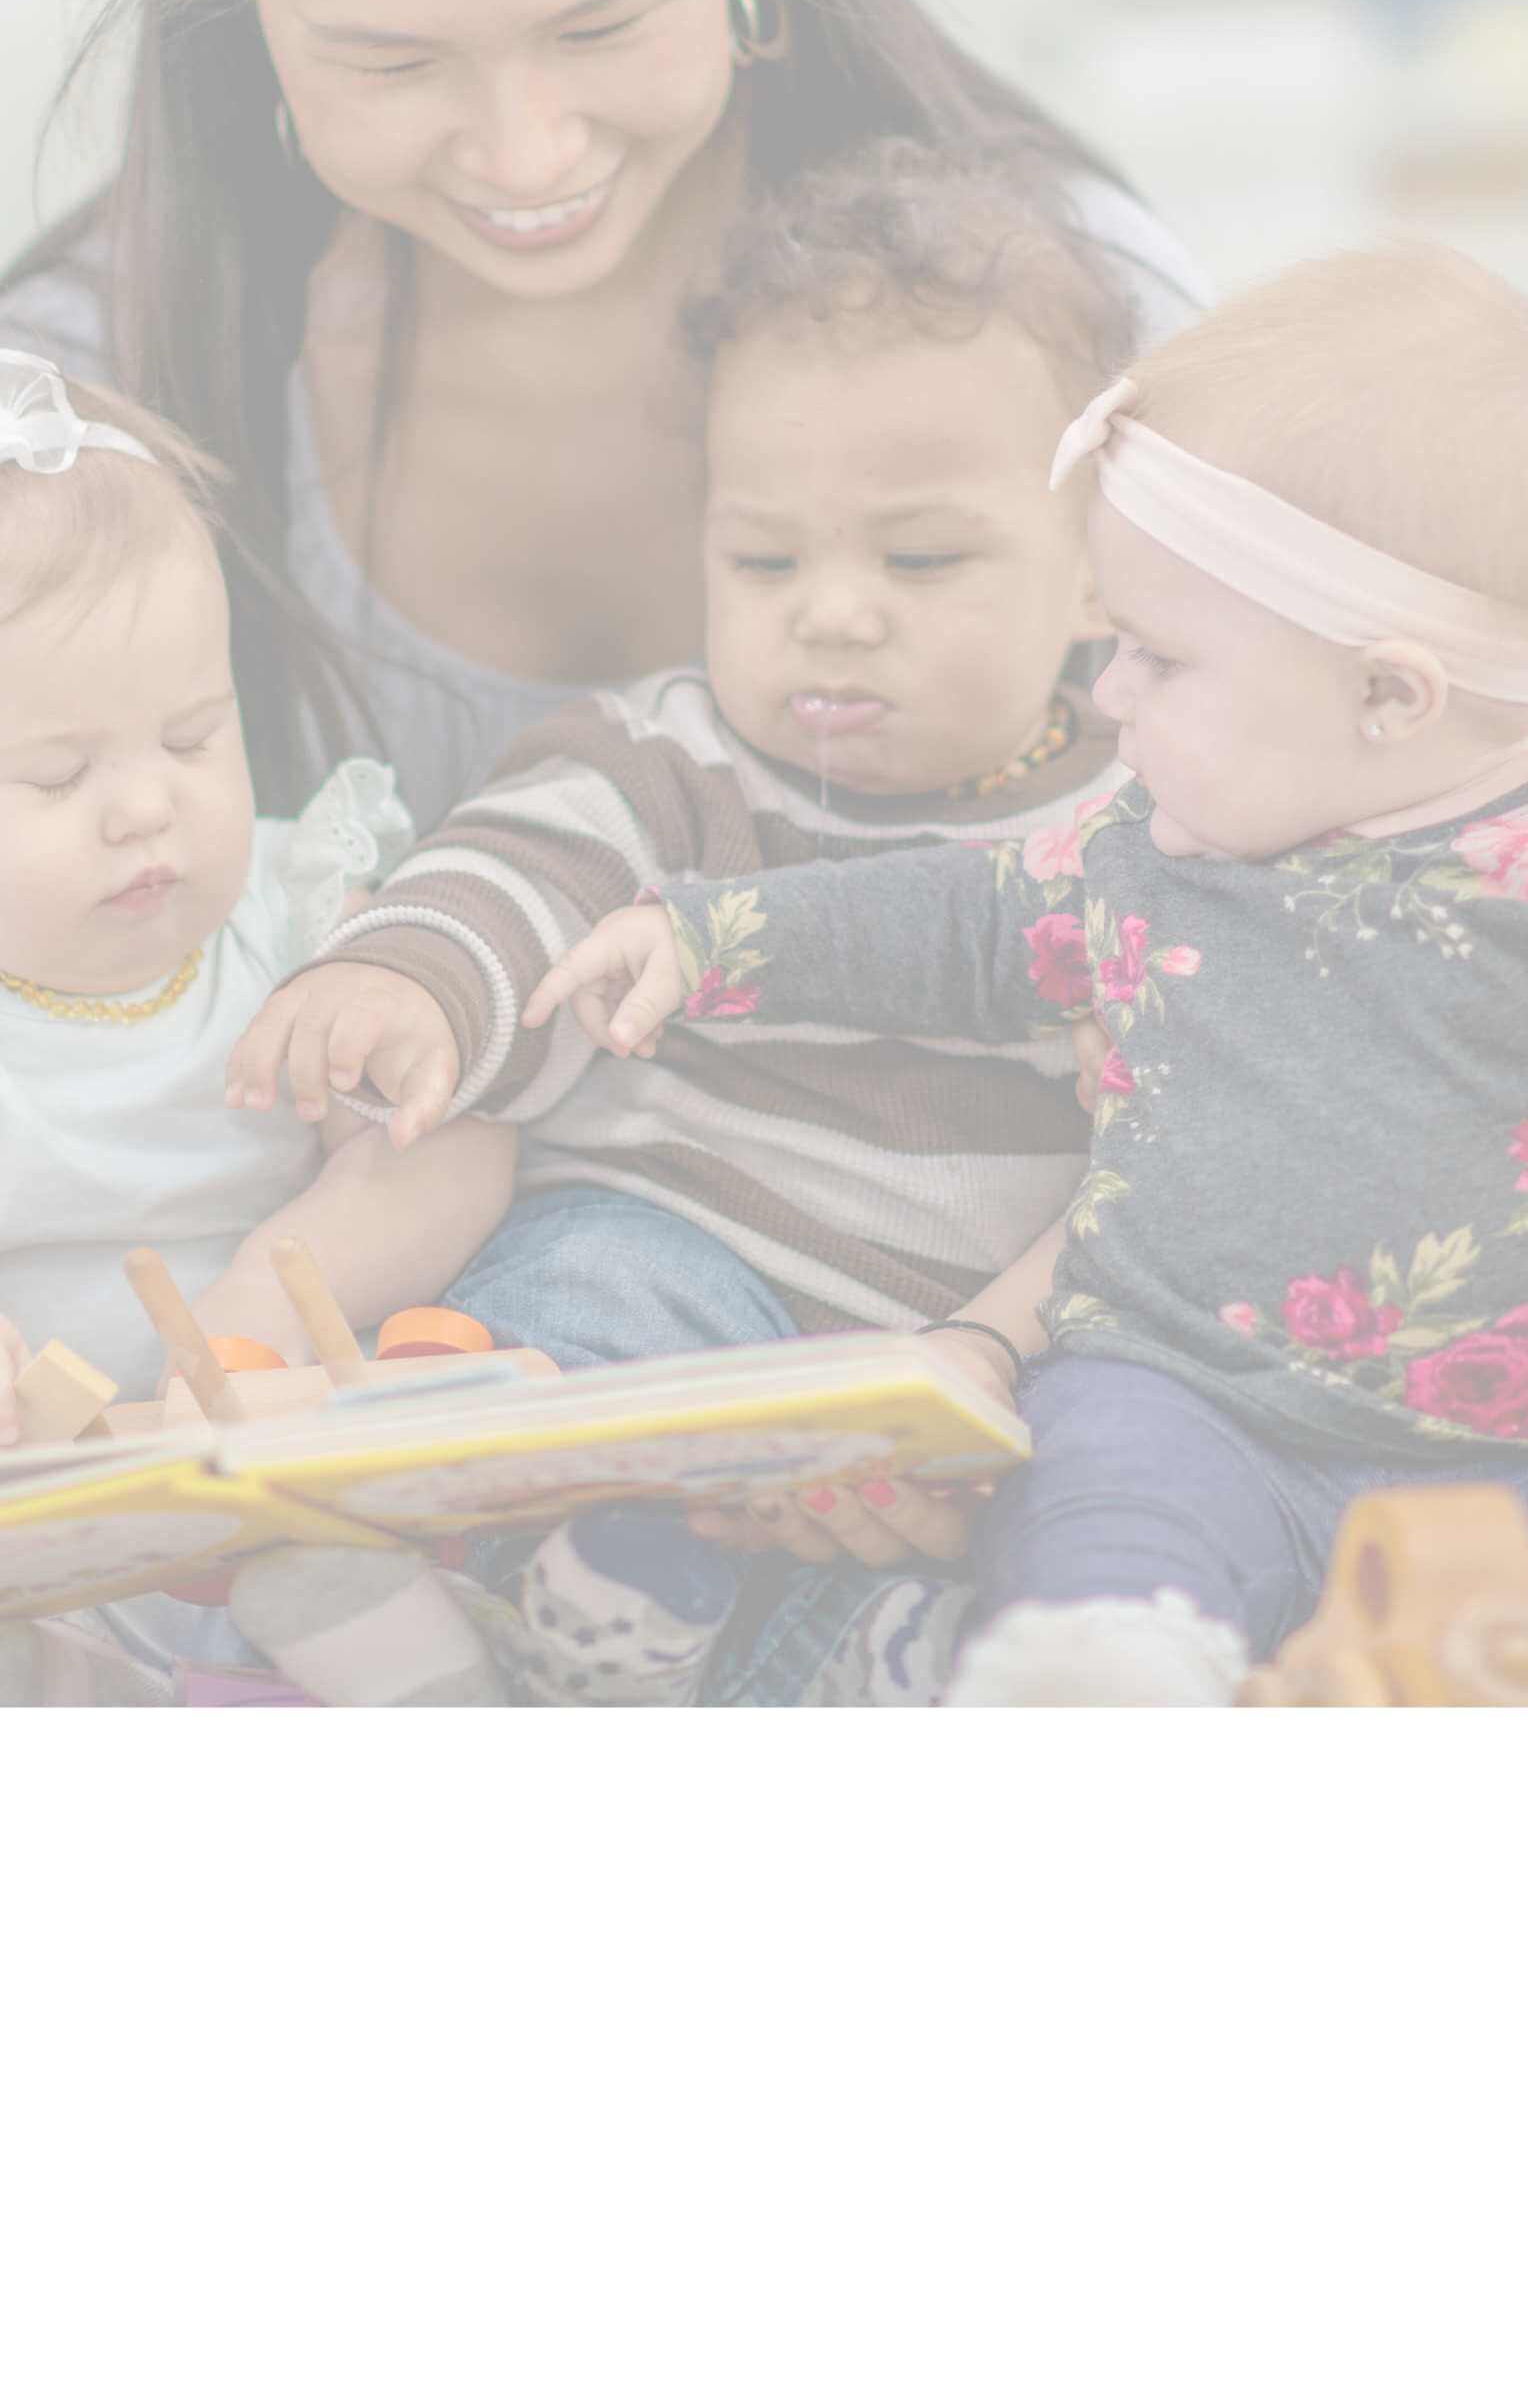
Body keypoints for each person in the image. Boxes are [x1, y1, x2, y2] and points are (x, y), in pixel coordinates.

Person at [531, 244, 1528, 1704]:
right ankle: (1106, 1671)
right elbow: (965, 922)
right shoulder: (1161, 847)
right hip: (1181, 1405)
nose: (1107, 699)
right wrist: (709, 936)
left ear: (1387, 694)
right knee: (1093, 1488)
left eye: (1158, 661)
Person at [0, 0, 1200, 827]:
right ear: (245, 15)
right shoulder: (69, 417)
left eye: (601, 26)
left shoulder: (1089, 314)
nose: (525, 156)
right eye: (392, 63)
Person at [234, 140, 1143, 1703]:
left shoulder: (1155, 829)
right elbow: (518, 871)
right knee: (592, 1284)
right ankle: (508, 1566)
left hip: (933, 1378)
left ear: (1103, 573)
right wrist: (408, 977)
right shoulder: (674, 756)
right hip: (674, 1276)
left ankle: (805, 1652)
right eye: (763, 556)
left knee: (1095, 1472)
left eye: (921, 557)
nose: (832, 608)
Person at [0, 352, 513, 1703]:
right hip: (53, 1519)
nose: (143, 809)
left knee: (339, 1580)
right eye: (55, 774)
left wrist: (260, 1303)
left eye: (191, 736)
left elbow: (458, 1153)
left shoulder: (293, 931)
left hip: (299, 1459)